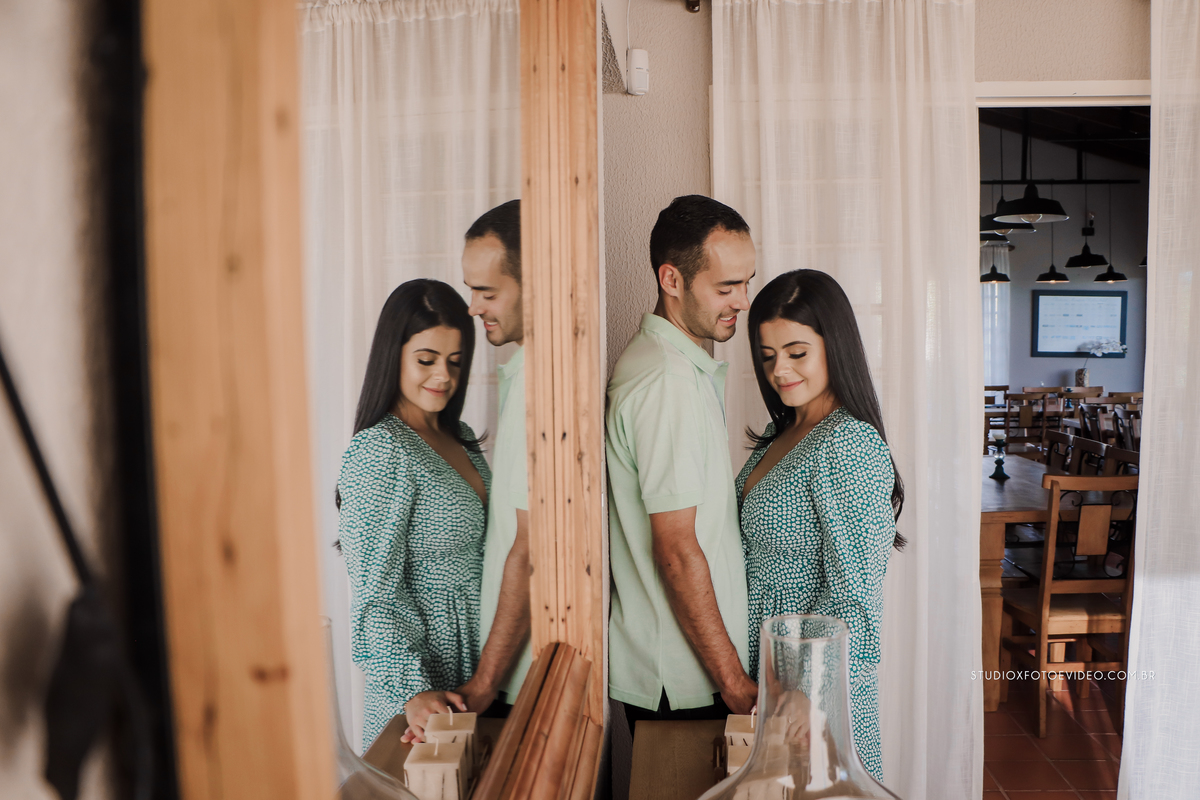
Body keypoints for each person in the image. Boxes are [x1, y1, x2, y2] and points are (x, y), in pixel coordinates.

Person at [736, 269, 905, 781]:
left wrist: (805, 691)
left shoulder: (847, 443)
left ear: (835, 346)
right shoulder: (784, 430)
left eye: (796, 352)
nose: (780, 370)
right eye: (768, 356)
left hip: (812, 685)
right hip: (771, 671)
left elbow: (855, 591)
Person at [606, 195, 758, 733]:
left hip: (691, 670)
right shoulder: (666, 383)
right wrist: (733, 682)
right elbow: (675, 549)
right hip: (687, 677)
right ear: (671, 279)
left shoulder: (674, 368)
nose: (743, 301)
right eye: (726, 287)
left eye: (746, 283)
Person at [337, 279, 490, 749]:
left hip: (477, 674)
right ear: (394, 355)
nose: (443, 375)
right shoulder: (381, 450)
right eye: (426, 359)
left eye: (455, 361)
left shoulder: (461, 435)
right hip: (421, 695)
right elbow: (374, 594)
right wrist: (413, 690)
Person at [453, 199, 534, 718]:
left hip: (515, 680)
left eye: (487, 292)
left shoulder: (537, 386)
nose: (473, 308)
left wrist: (484, 684)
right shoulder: (525, 373)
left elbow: (531, 549)